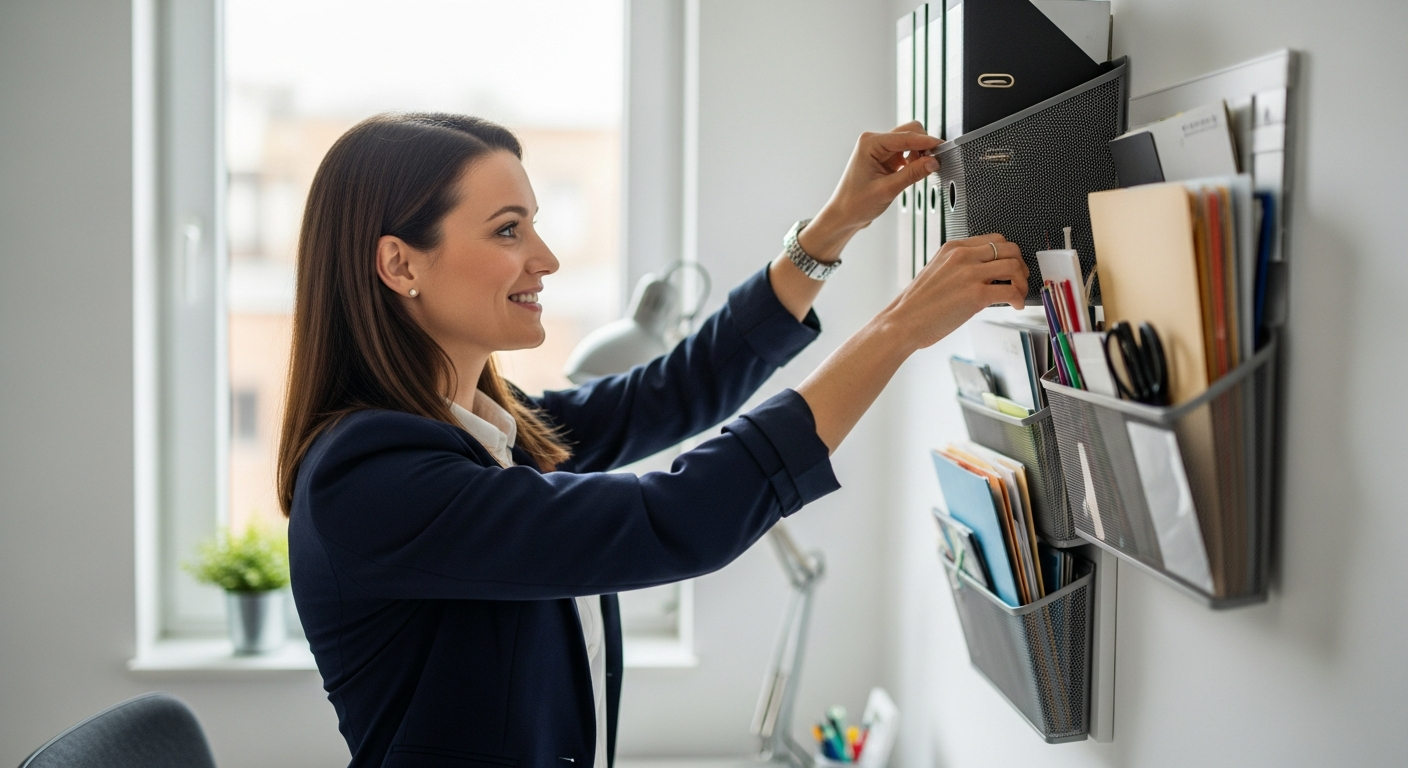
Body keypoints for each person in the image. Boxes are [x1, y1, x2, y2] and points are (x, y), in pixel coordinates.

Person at [280, 113, 1026, 768]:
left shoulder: (486, 432)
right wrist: (896, 331)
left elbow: (668, 393)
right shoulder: (370, 480)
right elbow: (675, 519)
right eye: (509, 230)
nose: (545, 258)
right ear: (399, 264)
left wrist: (833, 227)